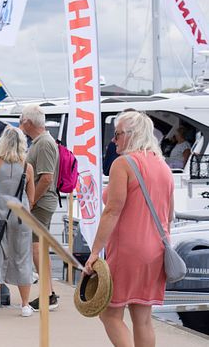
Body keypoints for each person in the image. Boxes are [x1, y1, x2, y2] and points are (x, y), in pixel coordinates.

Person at [84, 111, 174, 347]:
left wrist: (94, 252)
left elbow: (112, 210)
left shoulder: (123, 164)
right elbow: (169, 215)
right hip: (155, 251)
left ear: (132, 135)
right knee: (142, 319)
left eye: (117, 134)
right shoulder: (162, 166)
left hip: (128, 250)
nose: (114, 140)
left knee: (109, 313)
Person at [0, 127, 36, 318]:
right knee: (23, 259)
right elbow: (31, 196)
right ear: (22, 144)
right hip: (21, 218)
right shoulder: (27, 166)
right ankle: (26, 306)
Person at [19, 104, 59, 311]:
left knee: (37, 249)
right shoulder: (40, 142)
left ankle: (48, 294)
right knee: (37, 248)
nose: (19, 123)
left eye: (21, 119)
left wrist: (31, 202)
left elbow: (46, 178)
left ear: (28, 122)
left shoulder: (43, 144)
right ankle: (48, 292)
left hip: (41, 203)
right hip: (41, 202)